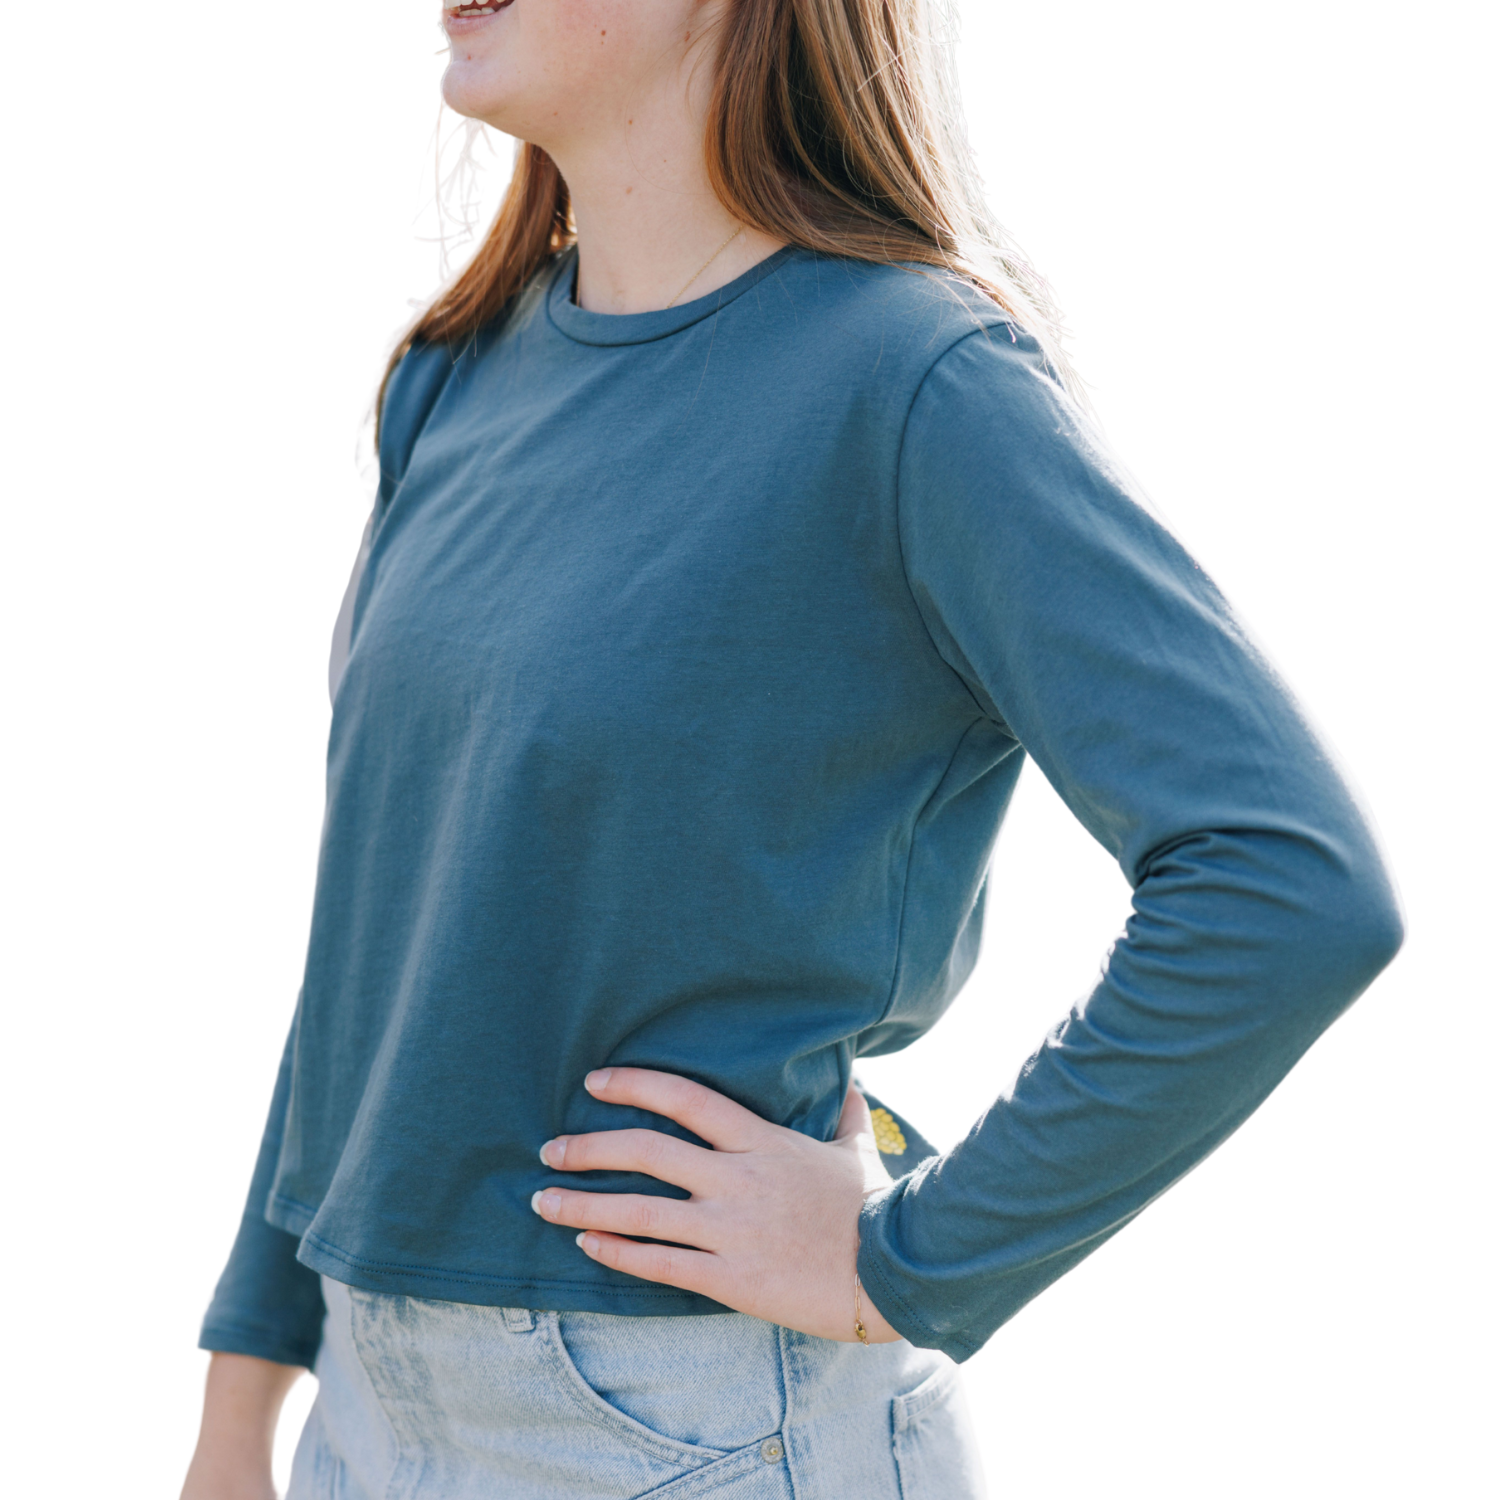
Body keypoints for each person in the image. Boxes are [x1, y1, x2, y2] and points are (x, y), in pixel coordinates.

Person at [180, 2, 1404, 1496]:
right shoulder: (455, 378)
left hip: (685, 1421)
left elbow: (1288, 884)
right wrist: (245, 1397)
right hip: (363, 1419)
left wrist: (908, 1257)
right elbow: (390, 925)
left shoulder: (916, 385)